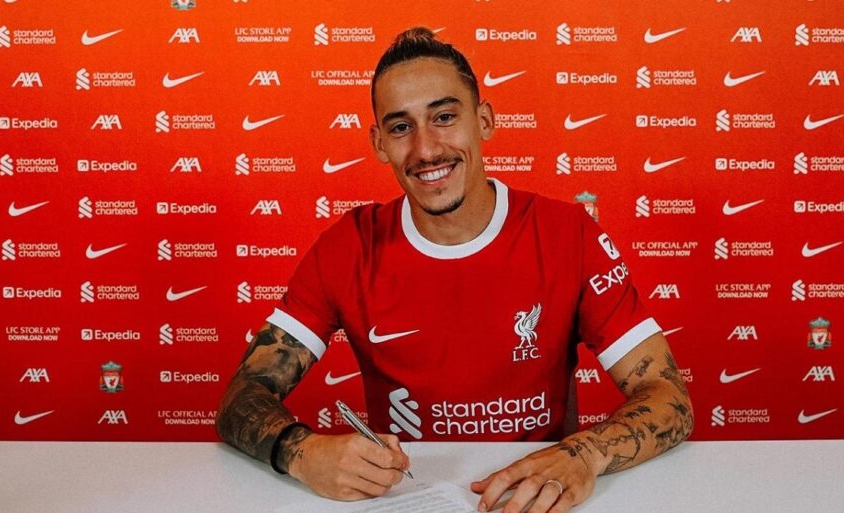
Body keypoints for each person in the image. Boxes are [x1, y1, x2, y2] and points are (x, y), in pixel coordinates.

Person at [217, 27, 694, 513]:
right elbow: (242, 396)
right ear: (378, 143)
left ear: (484, 120)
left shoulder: (568, 233)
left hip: (534, 501)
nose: (426, 149)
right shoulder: (347, 247)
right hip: (407, 499)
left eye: (444, 117)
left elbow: (668, 397)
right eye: (400, 128)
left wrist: (584, 455)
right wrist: (300, 452)